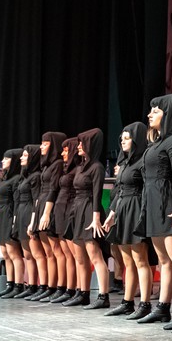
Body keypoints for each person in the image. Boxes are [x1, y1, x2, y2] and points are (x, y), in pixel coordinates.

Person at [141, 94, 172, 326]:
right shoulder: (156, 143)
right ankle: (163, 307)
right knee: (164, 260)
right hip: (153, 203)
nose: (150, 114)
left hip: (168, 202)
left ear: (168, 114)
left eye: (156, 111)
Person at [103, 123, 153, 318]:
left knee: (140, 259)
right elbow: (120, 191)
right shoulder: (124, 163)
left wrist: (144, 215)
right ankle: (127, 302)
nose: (122, 141)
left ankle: (145, 304)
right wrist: (112, 213)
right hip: (123, 209)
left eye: (127, 138)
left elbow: (147, 189)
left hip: (136, 208)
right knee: (127, 261)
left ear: (136, 140)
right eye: (121, 138)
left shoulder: (143, 161)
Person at [67, 129, 110, 309]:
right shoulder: (80, 167)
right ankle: (83, 293)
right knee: (79, 256)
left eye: (82, 143)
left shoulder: (97, 167)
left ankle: (103, 296)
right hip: (77, 210)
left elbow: (97, 194)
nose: (78, 146)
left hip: (90, 210)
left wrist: (96, 218)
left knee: (94, 255)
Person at [30, 132, 66, 301]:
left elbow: (53, 189)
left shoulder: (58, 164)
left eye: (45, 144)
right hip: (42, 204)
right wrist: (35, 217)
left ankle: (59, 287)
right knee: (48, 251)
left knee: (56, 250)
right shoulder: (46, 166)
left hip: (49, 206)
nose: (41, 146)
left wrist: (45, 213)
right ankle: (48, 287)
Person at [46, 137, 81, 305]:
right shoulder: (67, 169)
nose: (62, 154)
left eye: (66, 150)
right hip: (60, 210)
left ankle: (76, 290)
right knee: (66, 253)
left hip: (69, 210)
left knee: (74, 255)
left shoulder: (77, 170)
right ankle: (65, 288)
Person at [0, 149, 24, 297]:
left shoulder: (16, 179)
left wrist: (14, 220)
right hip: (1, 214)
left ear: (14, 161)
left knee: (13, 252)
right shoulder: (6, 178)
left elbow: (17, 201)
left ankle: (18, 285)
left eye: (6, 159)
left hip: (9, 214)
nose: (3, 161)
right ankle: (10, 284)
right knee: (5, 253)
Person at [13, 144, 45, 299]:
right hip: (21, 212)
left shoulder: (36, 176)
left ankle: (42, 286)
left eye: (25, 155)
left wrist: (33, 222)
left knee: (37, 254)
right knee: (27, 254)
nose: (21, 158)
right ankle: (31, 285)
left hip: (29, 213)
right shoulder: (25, 176)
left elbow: (36, 200)